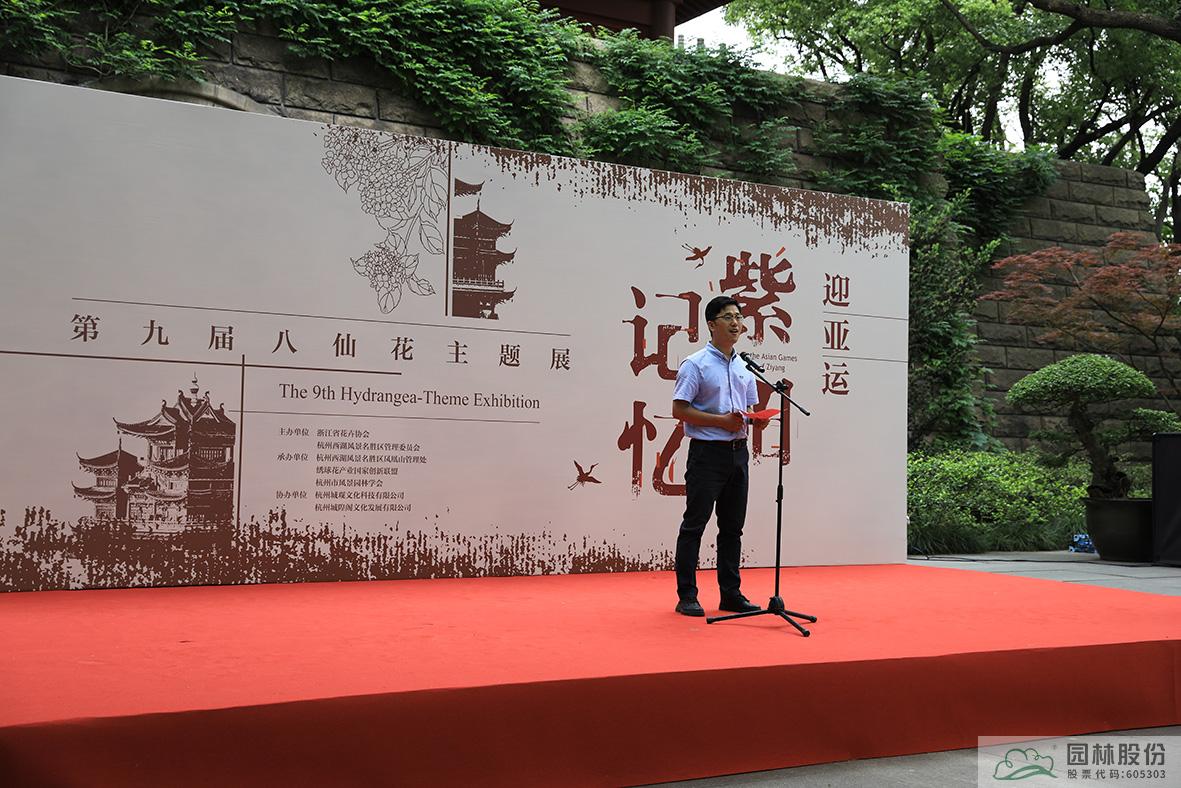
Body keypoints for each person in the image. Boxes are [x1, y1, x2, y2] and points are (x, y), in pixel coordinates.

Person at [670, 296, 769, 617]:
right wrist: (721, 422)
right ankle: (687, 595)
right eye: (728, 317)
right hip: (707, 454)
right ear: (711, 324)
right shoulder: (695, 364)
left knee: (732, 528)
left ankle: (731, 594)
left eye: (738, 317)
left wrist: (756, 420)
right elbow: (679, 409)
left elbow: (747, 410)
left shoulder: (745, 366)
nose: (736, 323)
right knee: (694, 525)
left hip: (738, 455)